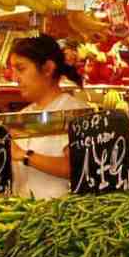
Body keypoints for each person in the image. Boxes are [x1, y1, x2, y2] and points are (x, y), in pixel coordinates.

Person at [7, 35, 89, 199]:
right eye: (13, 70)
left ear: (47, 68)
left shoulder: (75, 112)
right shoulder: (22, 116)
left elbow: (79, 167)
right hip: (24, 215)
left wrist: (24, 155)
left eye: (21, 69)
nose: (14, 78)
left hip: (62, 216)